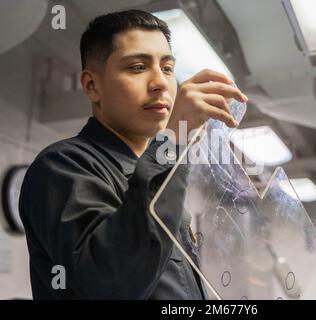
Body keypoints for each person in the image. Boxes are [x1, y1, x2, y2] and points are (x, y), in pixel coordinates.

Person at [19, 9, 248, 299]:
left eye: (167, 68)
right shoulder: (61, 167)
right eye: (138, 67)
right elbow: (114, 282)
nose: (161, 83)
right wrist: (173, 139)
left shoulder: (164, 176)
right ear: (92, 85)